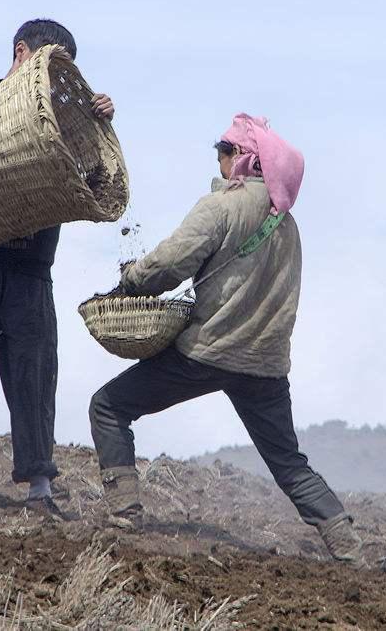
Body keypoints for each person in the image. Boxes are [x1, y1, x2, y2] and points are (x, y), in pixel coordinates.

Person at [89, 113, 366, 566]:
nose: (217, 161)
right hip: (266, 364)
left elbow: (168, 265)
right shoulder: (286, 224)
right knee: (289, 463)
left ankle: (125, 516)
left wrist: (130, 281)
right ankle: (347, 543)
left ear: (242, 157)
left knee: (108, 407)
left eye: (222, 151)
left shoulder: (221, 206)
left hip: (206, 352)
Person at [0, 19, 115, 515]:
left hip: (30, 273)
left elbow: (98, 183)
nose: (53, 81)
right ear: (20, 52)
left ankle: (40, 490)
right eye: (48, 64)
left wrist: (97, 124)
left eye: (64, 73)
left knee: (34, 380)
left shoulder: (66, 127)